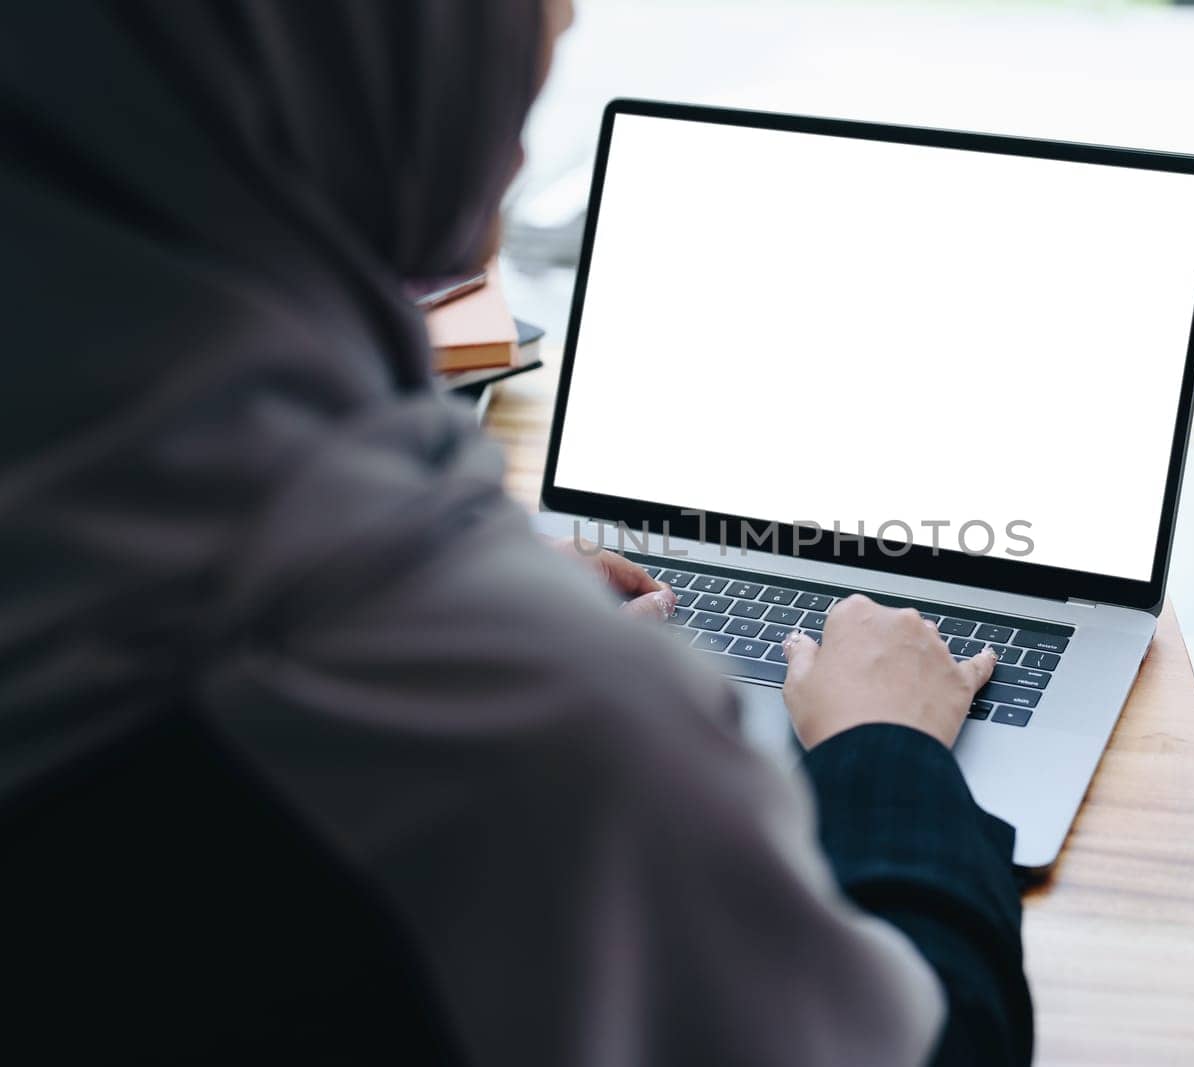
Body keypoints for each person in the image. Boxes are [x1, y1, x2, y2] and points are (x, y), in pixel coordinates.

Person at [0, 2, 1032, 1064]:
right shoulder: (491, 715)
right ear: (357, 61)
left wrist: (469, 587)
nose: (563, 20)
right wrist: (889, 751)